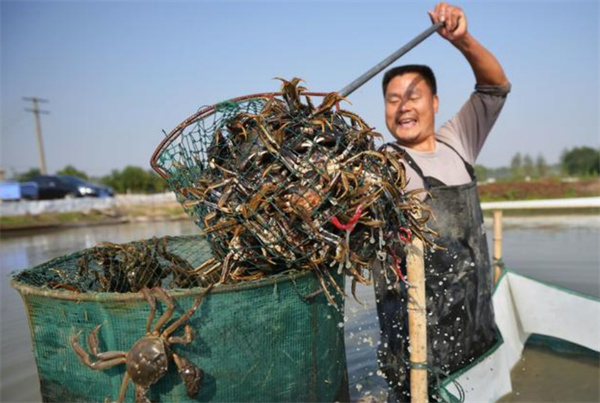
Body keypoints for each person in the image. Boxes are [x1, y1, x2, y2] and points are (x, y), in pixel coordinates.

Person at [372, 3, 510, 402]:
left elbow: (495, 87)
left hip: (475, 324)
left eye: (413, 96)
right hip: (417, 344)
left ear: (435, 102)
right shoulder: (383, 165)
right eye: (392, 99)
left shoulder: (458, 140)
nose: (403, 106)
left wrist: (462, 39)